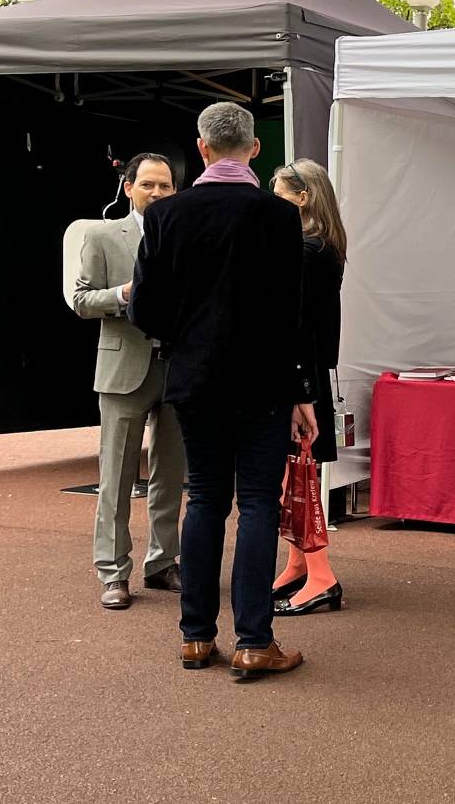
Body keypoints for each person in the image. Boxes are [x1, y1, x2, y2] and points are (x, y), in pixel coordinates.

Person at [130, 102, 316, 679]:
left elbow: (144, 309)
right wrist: (301, 390)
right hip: (263, 379)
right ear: (255, 149)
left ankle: (196, 636)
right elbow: (294, 316)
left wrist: (187, 334)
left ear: (202, 147)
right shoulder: (279, 217)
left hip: (194, 375)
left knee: (205, 497)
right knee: (258, 501)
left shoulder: (166, 217)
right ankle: (256, 638)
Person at [71, 152, 187, 610]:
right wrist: (123, 294)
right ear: (128, 188)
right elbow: (81, 300)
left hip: (177, 367)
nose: (157, 193)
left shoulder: (186, 235)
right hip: (123, 369)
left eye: (165, 186)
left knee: (171, 474)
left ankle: (163, 563)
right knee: (115, 476)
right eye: (148, 185)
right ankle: (113, 572)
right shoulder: (101, 235)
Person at [270, 159, 348, 616]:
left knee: (298, 476)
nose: (271, 201)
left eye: (279, 193)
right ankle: (300, 564)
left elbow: (295, 322)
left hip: (299, 374)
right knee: (302, 472)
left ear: (303, 198)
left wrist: (299, 384)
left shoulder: (305, 249)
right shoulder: (324, 244)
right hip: (310, 370)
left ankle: (320, 574)